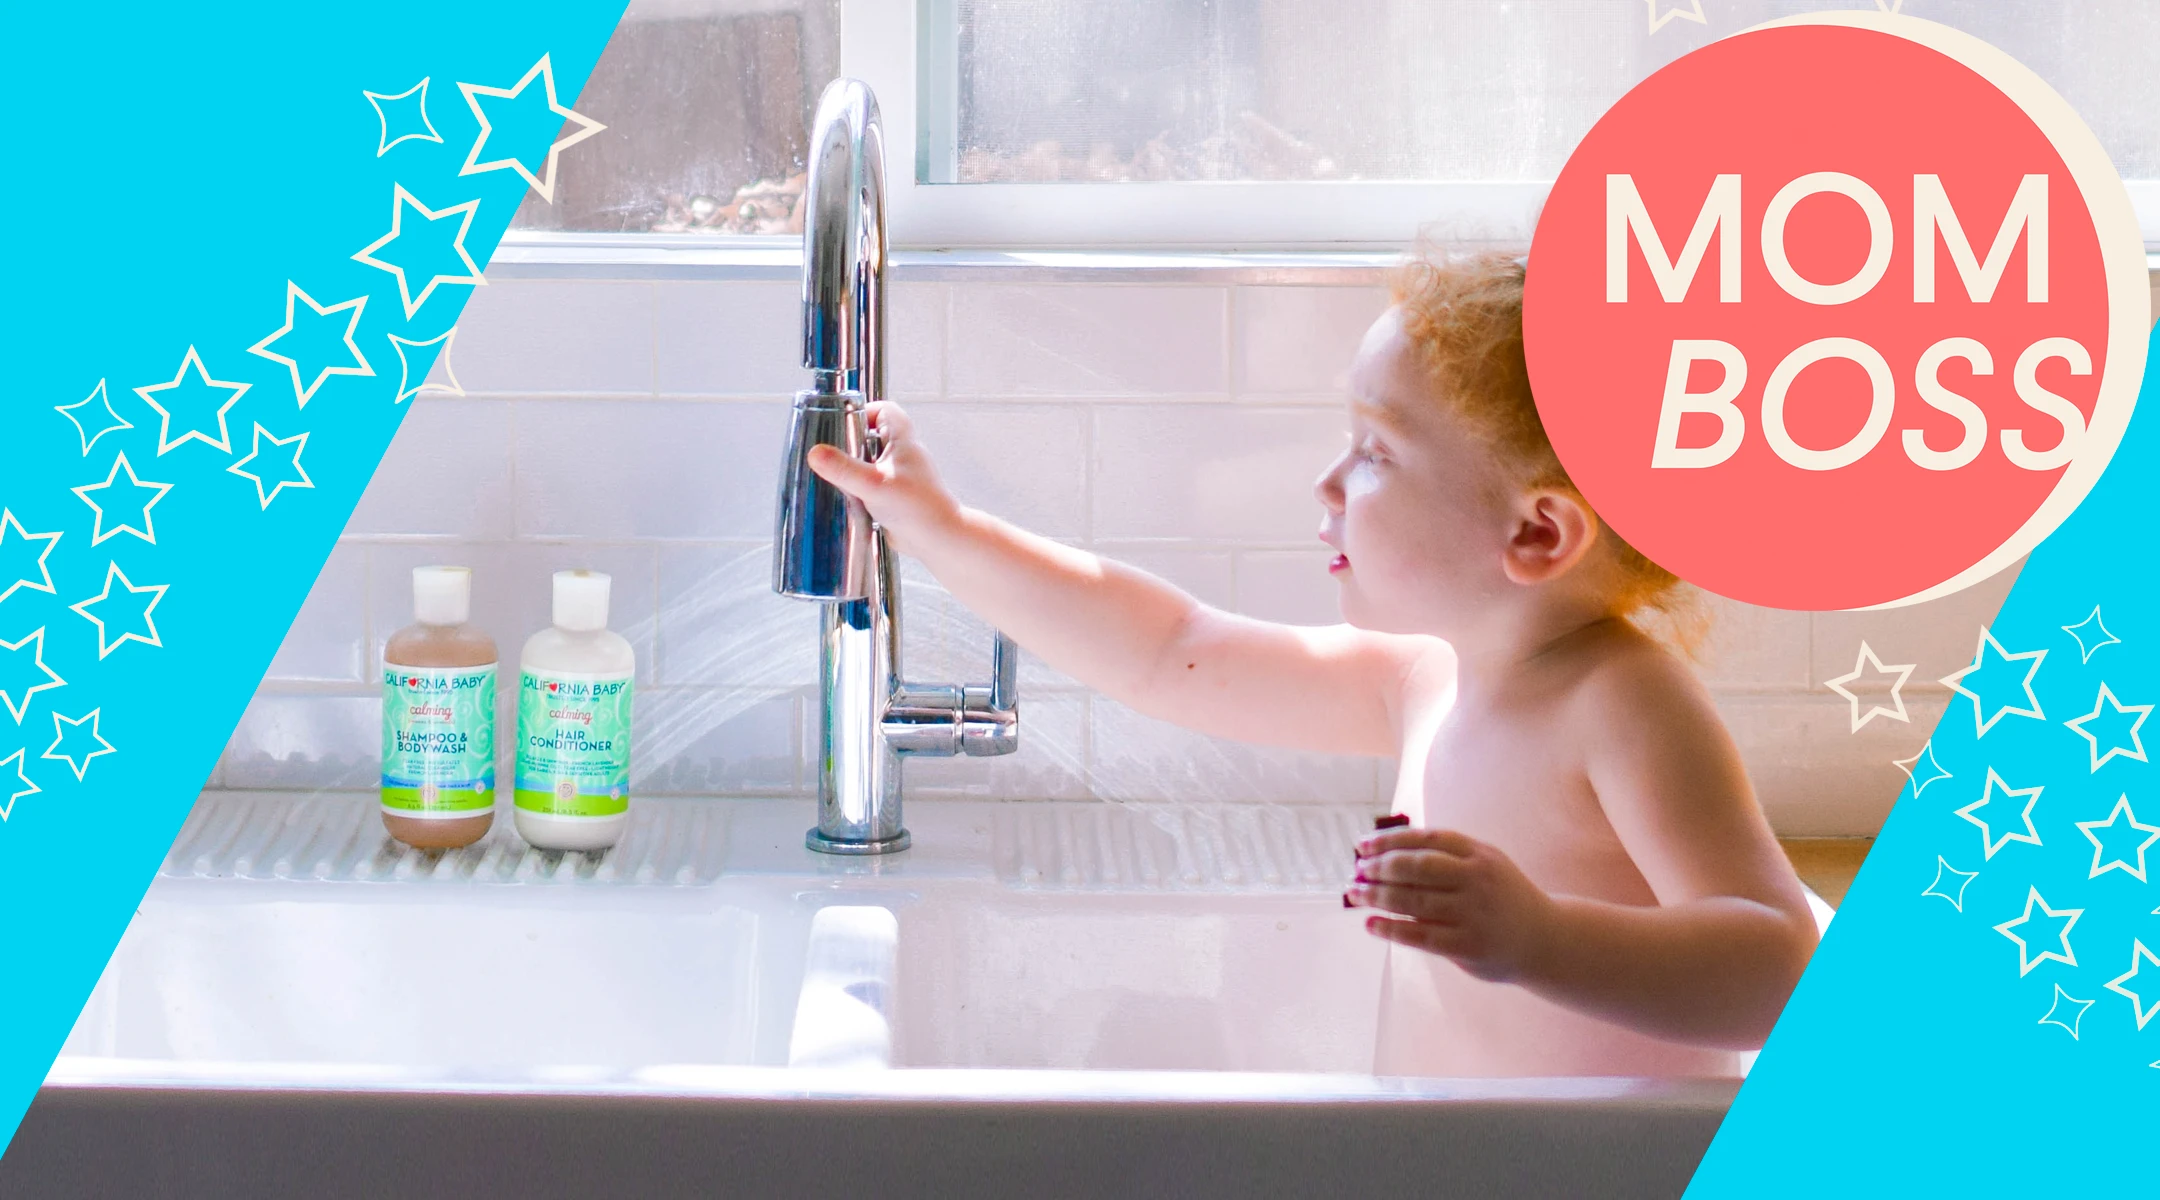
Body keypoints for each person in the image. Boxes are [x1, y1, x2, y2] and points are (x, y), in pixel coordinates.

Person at [806, 250, 1819, 1077]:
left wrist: (1542, 938)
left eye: (1376, 453)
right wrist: (941, 531)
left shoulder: (1624, 707)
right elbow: (1171, 652)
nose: (1328, 480)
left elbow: (1776, 969)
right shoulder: (1433, 674)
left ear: (1539, 535)